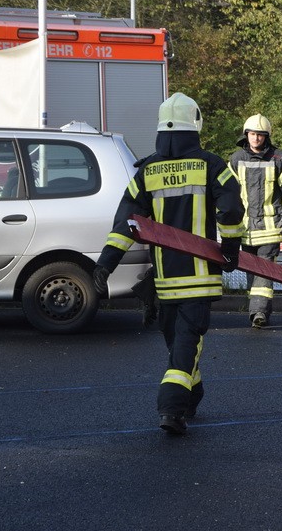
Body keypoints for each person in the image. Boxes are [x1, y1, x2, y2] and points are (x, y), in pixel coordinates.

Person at [93, 92, 244, 436]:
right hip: (199, 279)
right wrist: (231, 250)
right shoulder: (212, 166)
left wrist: (106, 264)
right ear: (196, 123)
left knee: (179, 345)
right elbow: (232, 210)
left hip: (164, 282)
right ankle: (171, 408)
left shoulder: (146, 171)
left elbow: (126, 222)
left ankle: (193, 398)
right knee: (186, 348)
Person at [228, 113, 282, 329]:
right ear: (246, 135)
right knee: (252, 270)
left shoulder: (279, 158)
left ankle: (258, 312)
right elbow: (227, 192)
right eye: (252, 134)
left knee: (264, 267)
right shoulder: (235, 159)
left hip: (270, 229)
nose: (256, 138)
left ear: (266, 136)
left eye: (260, 135)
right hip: (245, 229)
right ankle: (258, 309)